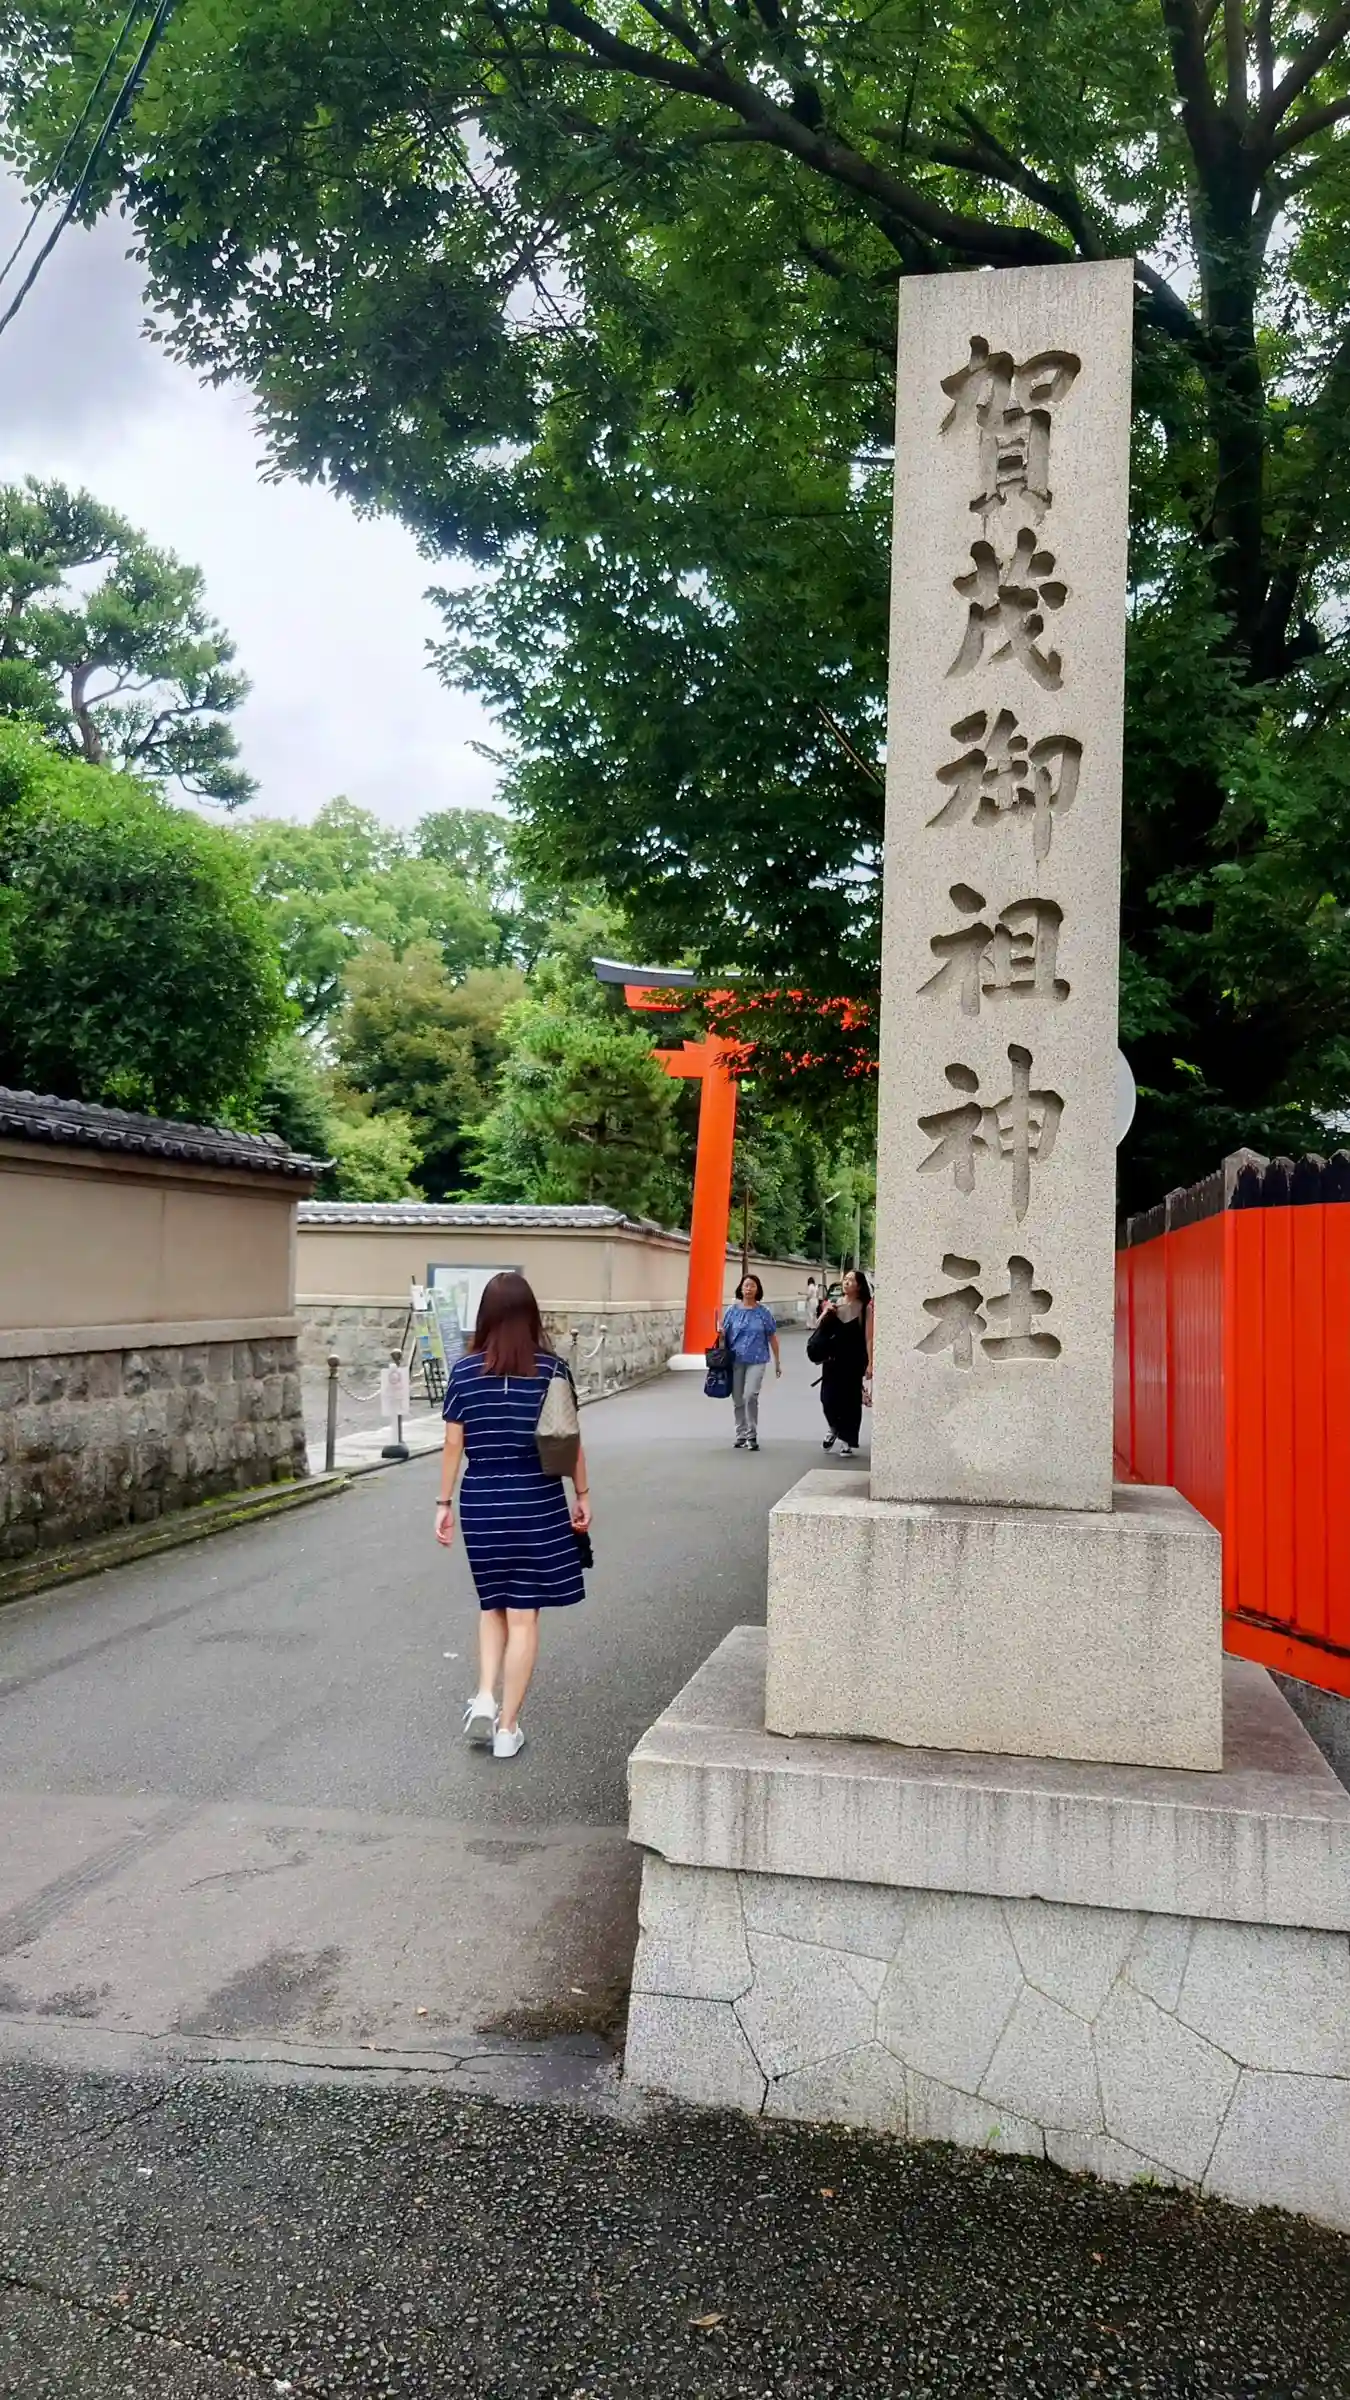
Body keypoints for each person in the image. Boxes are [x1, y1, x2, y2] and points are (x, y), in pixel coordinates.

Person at [434, 1271, 591, 1760]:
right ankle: (507, 1728)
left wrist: (443, 1503)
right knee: (524, 1615)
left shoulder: (464, 1372)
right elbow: (569, 1440)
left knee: (492, 1605)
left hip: (482, 1499)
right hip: (536, 1498)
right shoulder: (552, 1370)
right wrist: (582, 1494)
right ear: (530, 1315)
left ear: (485, 1316)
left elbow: (453, 1445)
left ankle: (485, 1694)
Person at [809, 1268, 874, 1457]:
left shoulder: (865, 1308)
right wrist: (825, 1312)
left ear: (859, 1285)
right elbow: (817, 1329)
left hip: (854, 1361)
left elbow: (869, 1338)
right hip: (832, 1360)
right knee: (827, 1399)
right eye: (845, 1279)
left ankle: (846, 1440)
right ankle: (833, 1428)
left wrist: (870, 1363)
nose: (846, 1282)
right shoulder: (834, 1305)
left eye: (851, 1280)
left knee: (850, 1402)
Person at [718, 1273, 782, 1452]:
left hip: (757, 1359)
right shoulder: (732, 1311)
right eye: (746, 1285)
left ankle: (751, 1434)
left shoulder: (763, 1312)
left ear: (758, 1289)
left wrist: (777, 1362)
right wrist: (721, 1334)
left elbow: (772, 1337)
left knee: (750, 1395)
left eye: (752, 1286)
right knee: (738, 1398)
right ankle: (741, 1433)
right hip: (736, 1359)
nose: (749, 1289)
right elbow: (724, 1337)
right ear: (741, 1288)